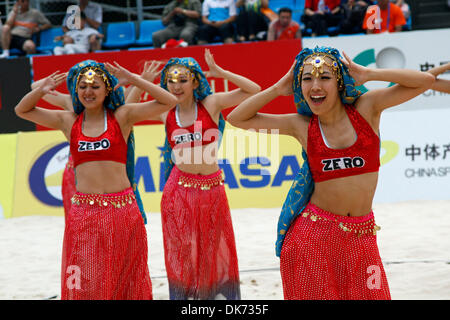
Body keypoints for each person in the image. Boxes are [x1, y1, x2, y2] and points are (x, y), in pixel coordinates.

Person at [226, 46, 435, 299]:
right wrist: (278, 88)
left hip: (363, 237)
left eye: (324, 77)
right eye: (306, 79)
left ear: (339, 82)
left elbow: (425, 82)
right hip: (312, 240)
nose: (315, 86)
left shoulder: (367, 109)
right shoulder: (300, 126)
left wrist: (368, 74)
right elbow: (237, 118)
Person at [15, 60, 178, 300]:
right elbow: (22, 110)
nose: (88, 92)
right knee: (87, 275)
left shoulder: (122, 116)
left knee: (127, 275)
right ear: (75, 90)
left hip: (123, 210)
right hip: (85, 212)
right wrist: (40, 90)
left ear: (107, 90)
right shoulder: (67, 120)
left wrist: (133, 79)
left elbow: (169, 101)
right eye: (82, 86)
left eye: (95, 86)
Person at [126, 49, 261, 300]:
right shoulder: (165, 112)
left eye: (183, 80)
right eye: (171, 81)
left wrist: (221, 73)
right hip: (179, 190)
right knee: (183, 251)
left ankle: (211, 297)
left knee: (213, 247)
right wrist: (138, 80)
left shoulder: (211, 104)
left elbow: (253, 89)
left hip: (213, 189)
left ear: (195, 81)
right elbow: (126, 111)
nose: (176, 86)